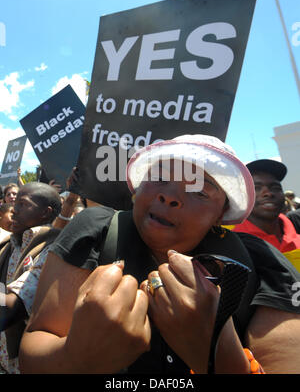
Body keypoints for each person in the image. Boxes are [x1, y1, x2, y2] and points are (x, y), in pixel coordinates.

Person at [19, 135, 300, 374]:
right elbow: (34, 346)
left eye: (199, 191)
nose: (170, 196)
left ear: (221, 214)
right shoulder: (95, 230)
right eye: (159, 178)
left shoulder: (261, 263)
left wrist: (215, 349)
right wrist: (76, 357)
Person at [0, 182, 62, 373]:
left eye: (23, 204)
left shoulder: (52, 251)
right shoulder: (8, 246)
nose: (14, 211)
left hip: (25, 366)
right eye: (14, 204)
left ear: (45, 212)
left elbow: (10, 309)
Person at [232, 159, 300, 271]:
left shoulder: (297, 239)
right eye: (256, 188)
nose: (268, 193)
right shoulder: (233, 246)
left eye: (275, 188)